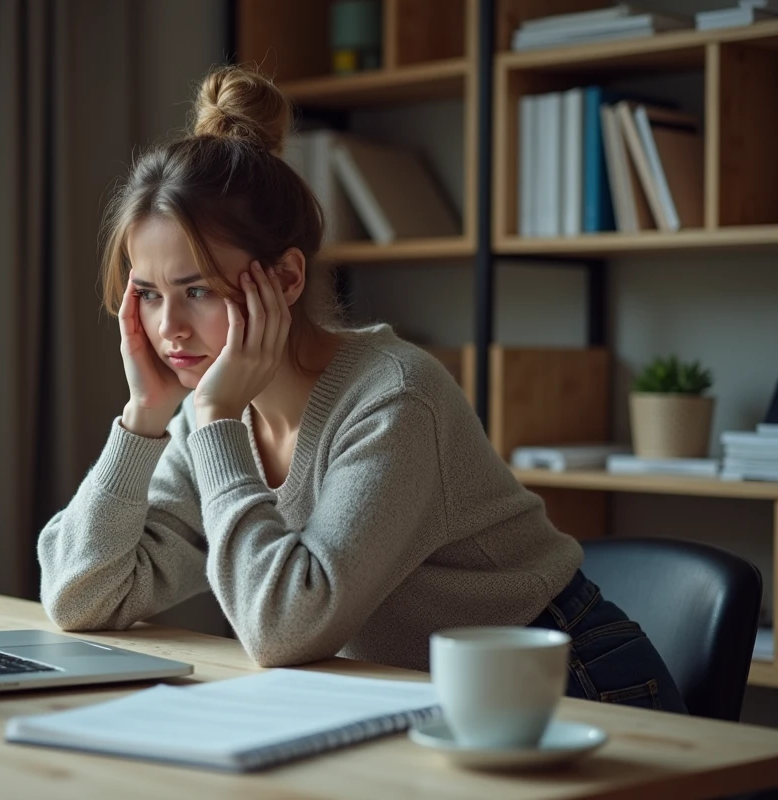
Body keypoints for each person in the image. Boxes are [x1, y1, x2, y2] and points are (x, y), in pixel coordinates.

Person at [37, 64, 686, 714]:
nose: (167, 328)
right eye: (148, 295)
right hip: (416, 694)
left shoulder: (395, 397)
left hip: (572, 681)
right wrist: (143, 419)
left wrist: (214, 424)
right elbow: (77, 597)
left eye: (197, 290)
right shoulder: (209, 420)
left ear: (287, 279)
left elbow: (283, 629)